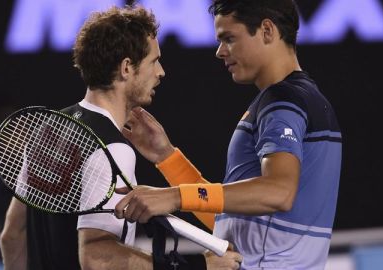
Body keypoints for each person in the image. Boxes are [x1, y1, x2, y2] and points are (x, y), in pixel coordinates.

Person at [0, 5, 242, 270]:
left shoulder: (47, 130)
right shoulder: (113, 148)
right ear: (127, 68)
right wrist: (198, 267)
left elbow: (12, 236)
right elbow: (97, 257)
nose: (161, 72)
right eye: (154, 61)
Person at [115, 0, 342, 269]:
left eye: (229, 38)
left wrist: (173, 196)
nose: (220, 52)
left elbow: (279, 192)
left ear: (267, 31)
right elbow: (237, 217)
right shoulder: (304, 99)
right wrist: (167, 157)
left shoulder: (282, 101)